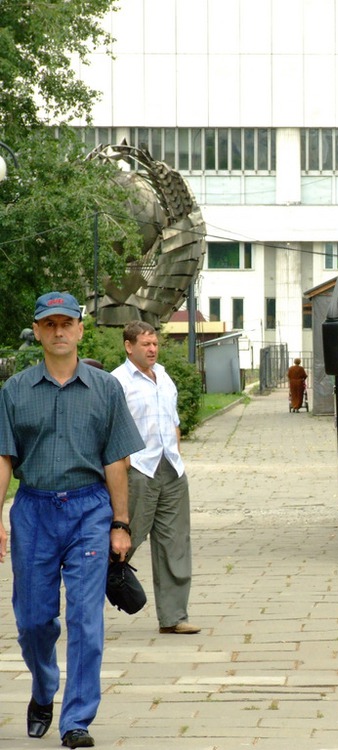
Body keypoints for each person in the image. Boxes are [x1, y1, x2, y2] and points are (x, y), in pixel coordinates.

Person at [0, 291, 144, 748]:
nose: (59, 332)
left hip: (89, 511)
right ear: (38, 332)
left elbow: (116, 461)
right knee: (33, 622)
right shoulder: (14, 390)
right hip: (34, 512)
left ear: (81, 329)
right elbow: (5, 457)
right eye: (50, 324)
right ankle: (44, 687)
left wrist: (120, 525)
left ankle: (76, 719)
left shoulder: (106, 389)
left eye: (67, 324)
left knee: (86, 619)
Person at [111, 321, 201, 635]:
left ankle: (174, 616)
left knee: (175, 544)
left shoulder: (163, 377)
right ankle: (88, 602)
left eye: (155, 344)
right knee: (123, 542)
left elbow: (173, 423)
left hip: (171, 469)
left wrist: (177, 455)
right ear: (128, 346)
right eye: (145, 344)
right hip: (137, 470)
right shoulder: (117, 382)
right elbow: (111, 435)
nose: (152, 349)